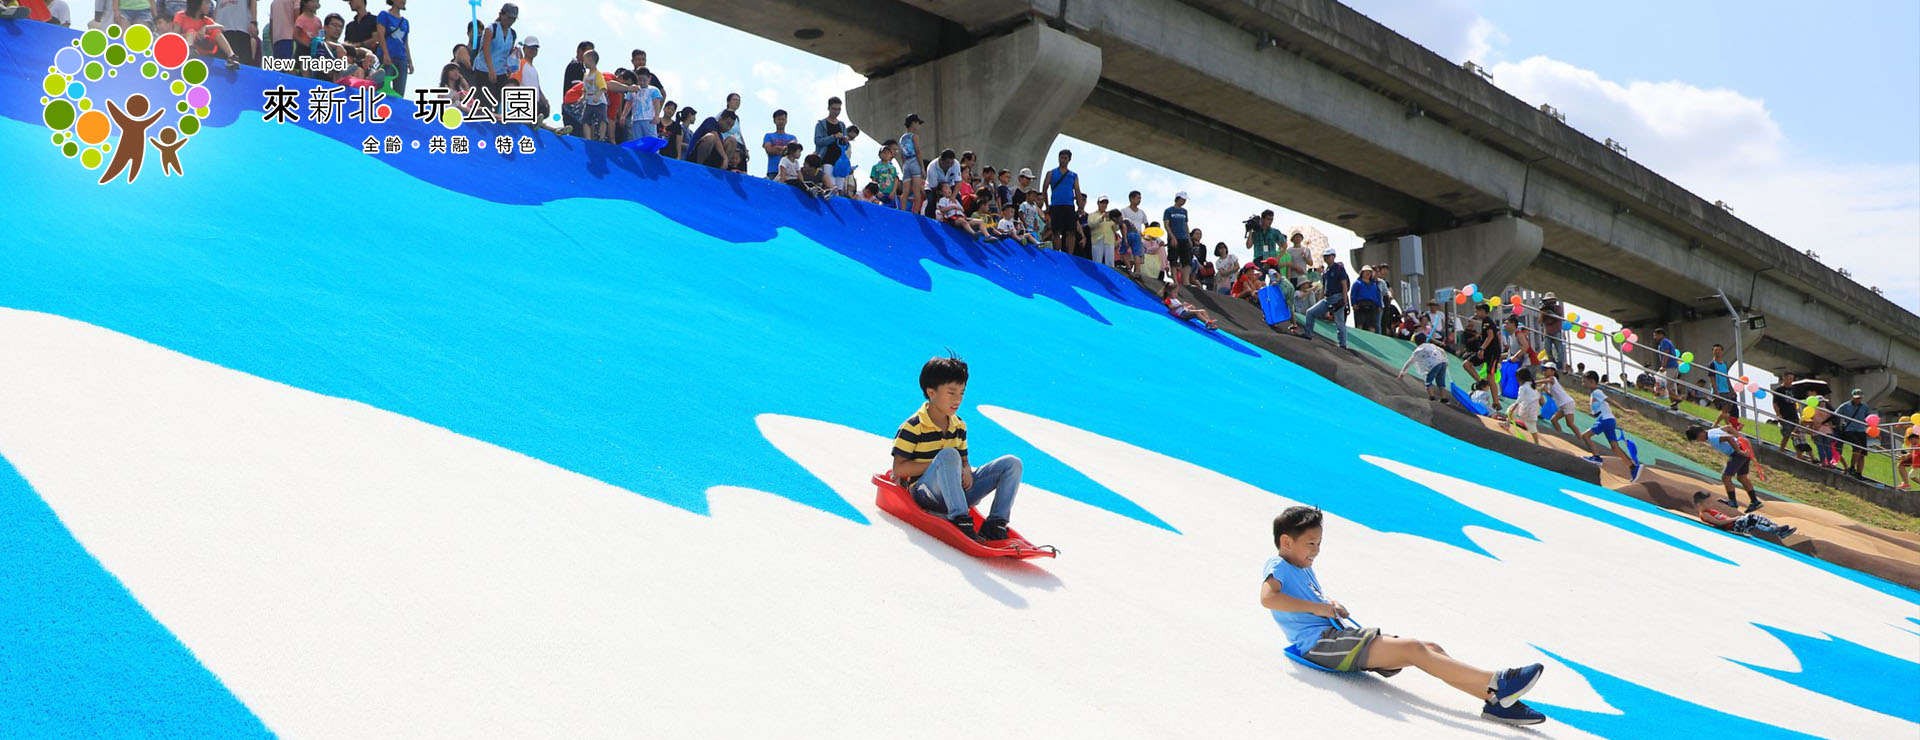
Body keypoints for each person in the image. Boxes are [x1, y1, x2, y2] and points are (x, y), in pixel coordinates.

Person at [1260, 506, 1548, 725]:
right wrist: (1319, 608)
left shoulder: (1302, 567)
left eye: (1319, 543)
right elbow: (1268, 598)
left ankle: (1496, 702)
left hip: (1335, 637)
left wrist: (1328, 603)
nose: (1316, 550)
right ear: (1286, 542)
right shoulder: (1279, 564)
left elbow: (1306, 599)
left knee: (1430, 649)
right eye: (1311, 544)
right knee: (1412, 649)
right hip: (1320, 644)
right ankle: (1498, 680)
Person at [891, 354, 1022, 542]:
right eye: (951, 393)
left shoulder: (959, 426)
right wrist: (939, 465)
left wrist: (966, 469)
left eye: (962, 393)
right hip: (926, 494)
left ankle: (995, 524)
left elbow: (963, 460)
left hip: (957, 492)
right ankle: (960, 519)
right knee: (948, 455)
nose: (958, 400)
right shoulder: (913, 427)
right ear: (931, 392)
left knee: (1012, 463)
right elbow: (899, 469)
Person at [1685, 423, 1763, 512]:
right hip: (1743, 449)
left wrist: (1739, 451)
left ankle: (1733, 502)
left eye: (1697, 439)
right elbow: (1729, 427)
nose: (1699, 441)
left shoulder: (1711, 437)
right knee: (1742, 477)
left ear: (1700, 434)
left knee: (1726, 478)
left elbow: (1729, 438)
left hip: (1737, 454)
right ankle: (1755, 501)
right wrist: (1740, 437)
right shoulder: (1712, 431)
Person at [1578, 385, 1641, 480]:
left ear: (1591, 381)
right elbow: (1599, 409)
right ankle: (1633, 467)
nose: (1583, 382)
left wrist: (1624, 410)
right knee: (1615, 447)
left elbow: (1610, 400)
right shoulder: (1594, 394)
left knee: (1585, 436)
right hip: (1609, 420)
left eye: (1585, 380)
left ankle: (1596, 458)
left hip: (1604, 420)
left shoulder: (1596, 392)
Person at [1296, 247, 1350, 348]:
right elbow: (1324, 287)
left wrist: (1344, 300)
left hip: (1338, 297)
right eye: (1325, 256)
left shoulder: (1339, 268)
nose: (1326, 258)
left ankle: (1343, 344)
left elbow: (1344, 284)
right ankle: (1308, 334)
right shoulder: (1326, 271)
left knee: (1339, 322)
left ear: (1333, 256)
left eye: (1329, 256)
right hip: (1327, 298)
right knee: (1310, 312)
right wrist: (1320, 300)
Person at [1691, 492, 1795, 540]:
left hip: (1734, 523)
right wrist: (1734, 519)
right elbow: (1719, 523)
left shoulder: (1710, 510)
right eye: (1708, 503)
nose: (1711, 505)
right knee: (1751, 518)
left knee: (1756, 517)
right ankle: (1775, 530)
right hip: (1733, 526)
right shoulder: (1704, 514)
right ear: (1700, 504)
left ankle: (1778, 529)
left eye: (1710, 503)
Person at [1043, 150, 1083, 257]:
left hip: (1069, 205)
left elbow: (1077, 191)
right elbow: (1044, 189)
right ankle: (1057, 253)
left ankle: (1070, 255)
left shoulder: (1073, 175)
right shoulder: (1051, 173)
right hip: (1056, 205)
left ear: (1069, 160)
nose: (1063, 160)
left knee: (1071, 231)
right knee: (1056, 231)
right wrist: (1047, 205)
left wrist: (1080, 206)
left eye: (1065, 158)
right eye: (1061, 157)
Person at [1395, 333, 1450, 404]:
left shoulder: (1418, 350)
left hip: (1433, 364)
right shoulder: (1430, 345)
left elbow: (1410, 361)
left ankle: (1432, 397)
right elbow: (1441, 350)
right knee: (1441, 381)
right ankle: (1444, 398)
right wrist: (1445, 360)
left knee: (1428, 380)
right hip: (1442, 362)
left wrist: (1402, 372)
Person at [476, 3, 517, 95]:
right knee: (485, 100)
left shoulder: (513, 34)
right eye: (509, 17)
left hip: (501, 72)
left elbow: (508, 54)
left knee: (499, 100)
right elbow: (486, 50)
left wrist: (515, 53)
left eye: (513, 19)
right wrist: (491, 69)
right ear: (501, 14)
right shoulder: (491, 29)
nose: (511, 21)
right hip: (484, 70)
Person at [1832, 389, 1873, 479]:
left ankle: (1859, 473)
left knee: (1862, 454)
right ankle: (1852, 467)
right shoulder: (1845, 406)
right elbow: (1835, 415)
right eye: (1856, 398)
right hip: (1850, 430)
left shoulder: (1864, 406)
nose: (1858, 400)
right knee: (1857, 448)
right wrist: (1837, 425)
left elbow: (1869, 417)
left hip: (1861, 430)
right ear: (1852, 397)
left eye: (1860, 398)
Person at [812, 97, 849, 191]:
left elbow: (846, 145)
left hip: (839, 160)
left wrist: (845, 140)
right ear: (828, 108)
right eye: (834, 109)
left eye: (838, 109)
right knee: (830, 186)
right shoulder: (821, 124)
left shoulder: (842, 125)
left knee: (840, 188)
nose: (836, 111)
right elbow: (818, 141)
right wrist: (833, 137)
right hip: (826, 159)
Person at [375, 0, 411, 93]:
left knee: (399, 91)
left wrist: (409, 61)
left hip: (401, 59)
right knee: (382, 86)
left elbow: (405, 43)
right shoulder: (384, 15)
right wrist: (386, 54)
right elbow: (380, 35)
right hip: (387, 56)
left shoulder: (405, 22)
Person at [1501, 368, 1542, 444]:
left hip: (1526, 408)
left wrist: (1512, 410)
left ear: (1520, 378)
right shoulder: (1532, 385)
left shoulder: (1523, 388)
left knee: (1510, 410)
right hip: (1534, 409)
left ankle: (1507, 424)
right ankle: (1537, 442)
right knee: (1532, 427)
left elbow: (1519, 400)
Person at [1538, 362, 1579, 436]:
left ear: (1552, 371)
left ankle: (1580, 438)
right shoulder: (1551, 383)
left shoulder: (1552, 378)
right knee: (1554, 420)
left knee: (1570, 424)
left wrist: (1534, 382)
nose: (1544, 371)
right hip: (1563, 405)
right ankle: (1560, 435)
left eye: (1546, 369)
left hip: (1567, 404)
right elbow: (1551, 395)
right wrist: (1545, 389)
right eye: (1543, 369)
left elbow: (1547, 381)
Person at [213, 0, 257, 65]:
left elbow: (253, 1)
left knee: (242, 65)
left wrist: (253, 21)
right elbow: (217, 5)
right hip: (221, 31)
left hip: (240, 30)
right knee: (220, 65)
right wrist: (213, 24)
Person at [1162, 192, 1191, 285]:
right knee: (1173, 259)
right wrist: (1172, 237)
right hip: (1174, 237)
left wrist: (1189, 237)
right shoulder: (1169, 211)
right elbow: (1166, 225)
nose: (1184, 201)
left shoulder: (1184, 211)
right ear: (1178, 198)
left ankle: (1185, 281)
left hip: (1184, 237)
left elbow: (1186, 225)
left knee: (1187, 260)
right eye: (1183, 199)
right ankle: (1175, 280)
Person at [898, 113, 925, 214]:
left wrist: (904, 165)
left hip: (906, 164)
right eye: (918, 123)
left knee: (905, 192)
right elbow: (918, 151)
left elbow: (902, 155)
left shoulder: (902, 139)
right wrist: (922, 167)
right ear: (913, 123)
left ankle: (903, 212)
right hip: (914, 161)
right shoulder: (914, 136)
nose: (918, 126)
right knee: (916, 190)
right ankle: (916, 212)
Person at [1120, 192, 1149, 275]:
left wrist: (1145, 235)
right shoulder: (1124, 210)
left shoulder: (1141, 212)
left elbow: (1147, 225)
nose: (1139, 200)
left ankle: (1137, 273)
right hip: (1127, 234)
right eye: (1137, 198)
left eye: (1140, 198)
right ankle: (1129, 270)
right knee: (1128, 255)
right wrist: (1124, 236)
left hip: (1139, 236)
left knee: (1137, 255)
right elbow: (1122, 224)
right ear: (1131, 198)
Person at [1349, 265, 1382, 335]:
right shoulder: (1357, 283)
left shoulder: (1374, 284)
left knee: (1372, 326)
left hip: (1372, 306)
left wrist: (1379, 306)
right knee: (1360, 324)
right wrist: (1353, 304)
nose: (1368, 273)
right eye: (1366, 272)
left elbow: (1378, 296)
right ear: (1362, 273)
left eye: (1369, 272)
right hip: (1360, 305)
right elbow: (1353, 294)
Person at [1653, 328, 1681, 410]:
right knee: (1671, 387)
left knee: (1665, 385)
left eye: (1656, 335)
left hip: (1670, 367)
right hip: (1674, 367)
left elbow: (1666, 354)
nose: (1655, 337)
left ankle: (1677, 398)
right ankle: (1674, 405)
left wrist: (1663, 366)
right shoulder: (1667, 342)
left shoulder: (1664, 342)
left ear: (1661, 335)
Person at [868, 140, 902, 208]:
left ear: (890, 155)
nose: (886, 154)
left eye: (888, 153)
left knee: (892, 209)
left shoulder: (893, 168)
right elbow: (874, 180)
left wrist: (893, 191)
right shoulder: (876, 167)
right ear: (879, 155)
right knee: (879, 208)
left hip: (890, 193)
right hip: (880, 192)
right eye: (884, 153)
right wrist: (877, 191)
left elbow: (895, 180)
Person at [1087, 198, 1118, 267]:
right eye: (1102, 202)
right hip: (1097, 240)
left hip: (1109, 240)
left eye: (1106, 203)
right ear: (1098, 203)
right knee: (1097, 262)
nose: (1104, 204)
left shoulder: (1110, 216)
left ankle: (1110, 277)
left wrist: (1115, 220)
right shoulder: (1092, 215)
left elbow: (1116, 229)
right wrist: (1101, 218)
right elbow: (1090, 225)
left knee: (1110, 263)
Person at [1538, 292, 1565, 367]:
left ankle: (1560, 366)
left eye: (1551, 300)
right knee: (1547, 350)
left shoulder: (1558, 308)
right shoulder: (1544, 309)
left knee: (1559, 350)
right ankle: (1551, 364)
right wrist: (1542, 312)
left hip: (1556, 331)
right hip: (1547, 333)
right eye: (1548, 301)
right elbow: (1539, 321)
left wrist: (1550, 312)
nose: (1549, 303)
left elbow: (1559, 317)